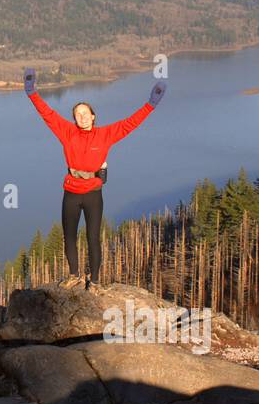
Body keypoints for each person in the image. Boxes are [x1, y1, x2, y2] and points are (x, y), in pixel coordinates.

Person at [24, 69, 166, 289]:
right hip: (71, 191)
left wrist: (151, 104)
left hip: (93, 193)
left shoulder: (105, 135)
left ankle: (95, 281)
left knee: (92, 237)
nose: (81, 117)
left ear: (93, 116)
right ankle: (74, 275)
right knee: (69, 235)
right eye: (77, 114)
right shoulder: (67, 132)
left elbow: (130, 123)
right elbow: (48, 114)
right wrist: (31, 92)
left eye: (85, 113)